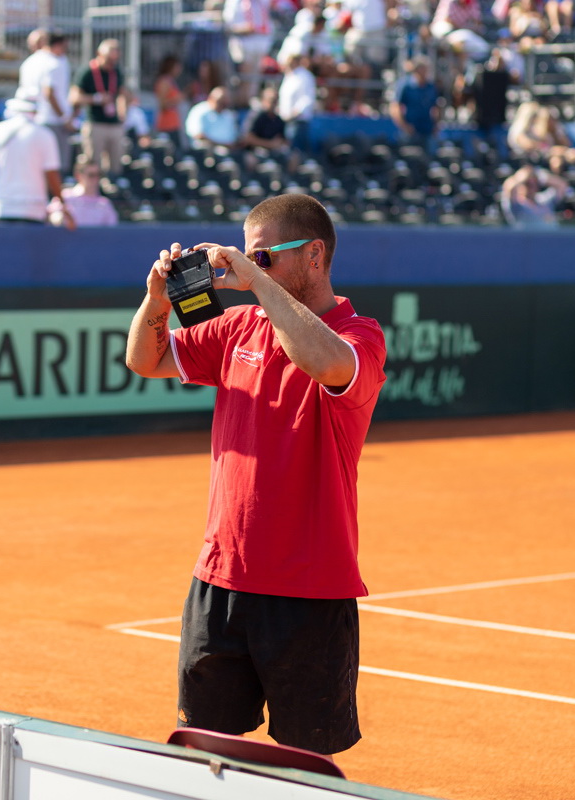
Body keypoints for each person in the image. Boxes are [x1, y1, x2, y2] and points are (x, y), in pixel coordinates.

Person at [125, 192, 386, 757]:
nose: (250, 267)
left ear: (314, 255)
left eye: (264, 257)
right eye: (248, 256)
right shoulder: (237, 328)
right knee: (205, 755)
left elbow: (327, 363)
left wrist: (253, 280)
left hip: (310, 592)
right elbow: (145, 361)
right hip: (220, 581)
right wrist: (156, 301)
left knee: (308, 765)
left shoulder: (360, 334)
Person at [0, 92, 72, 228]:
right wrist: (63, 204)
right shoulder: (45, 135)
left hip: (4, 207)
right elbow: (52, 174)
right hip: (34, 210)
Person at [71, 38, 128, 177]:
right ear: (99, 54)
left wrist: (122, 113)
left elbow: (123, 93)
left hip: (114, 124)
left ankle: (114, 189)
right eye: (109, 59)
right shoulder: (87, 71)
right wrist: (96, 99)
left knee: (116, 164)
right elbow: (74, 97)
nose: (111, 63)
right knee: (93, 162)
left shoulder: (116, 72)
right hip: (95, 123)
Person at [34, 31, 74, 171]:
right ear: (57, 45)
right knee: (56, 164)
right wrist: (64, 117)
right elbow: (49, 93)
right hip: (51, 120)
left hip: (41, 118)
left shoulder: (35, 60)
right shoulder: (53, 63)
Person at [222, 0, 276, 104]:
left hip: (260, 46)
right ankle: (240, 104)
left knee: (254, 80)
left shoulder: (262, 2)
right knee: (243, 79)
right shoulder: (235, 3)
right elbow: (228, 26)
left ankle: (248, 103)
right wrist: (243, 29)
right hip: (241, 46)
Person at [49, 156, 118, 227]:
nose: (96, 179)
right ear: (78, 176)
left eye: (98, 175)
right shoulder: (64, 197)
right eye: (91, 175)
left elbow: (111, 231)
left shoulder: (105, 204)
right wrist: (58, 218)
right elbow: (51, 217)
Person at [389, 57, 439, 146]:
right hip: (410, 131)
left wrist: (436, 125)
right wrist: (404, 126)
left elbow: (436, 107)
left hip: (427, 130)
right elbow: (395, 107)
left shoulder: (431, 87)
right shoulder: (405, 85)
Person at [500, 165, 568, 228]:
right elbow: (509, 188)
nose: (532, 187)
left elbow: (562, 185)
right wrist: (520, 177)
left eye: (535, 183)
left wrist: (540, 176)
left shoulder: (545, 200)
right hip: (527, 240)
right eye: (528, 184)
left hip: (551, 239)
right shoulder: (517, 205)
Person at [277, 51, 316, 153]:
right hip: (286, 121)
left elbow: (307, 98)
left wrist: (295, 112)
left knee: (297, 152)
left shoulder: (305, 76)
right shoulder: (288, 76)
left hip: (298, 121)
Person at [184, 85, 241, 150]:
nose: (223, 106)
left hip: (229, 151)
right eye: (220, 103)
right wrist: (221, 144)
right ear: (211, 99)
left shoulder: (228, 114)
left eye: (225, 103)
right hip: (205, 151)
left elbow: (235, 137)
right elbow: (197, 135)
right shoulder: (199, 110)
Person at [153, 55, 185, 147]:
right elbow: (162, 105)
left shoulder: (171, 81)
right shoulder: (163, 82)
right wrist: (177, 100)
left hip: (174, 124)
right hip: (166, 125)